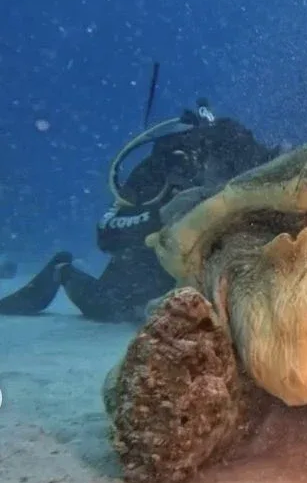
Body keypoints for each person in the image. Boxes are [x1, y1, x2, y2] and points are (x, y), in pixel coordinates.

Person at [0, 100, 282, 323]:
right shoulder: (161, 169)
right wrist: (165, 217)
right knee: (107, 307)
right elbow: (106, 232)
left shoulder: (245, 169)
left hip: (202, 274)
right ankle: (63, 271)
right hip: (141, 272)